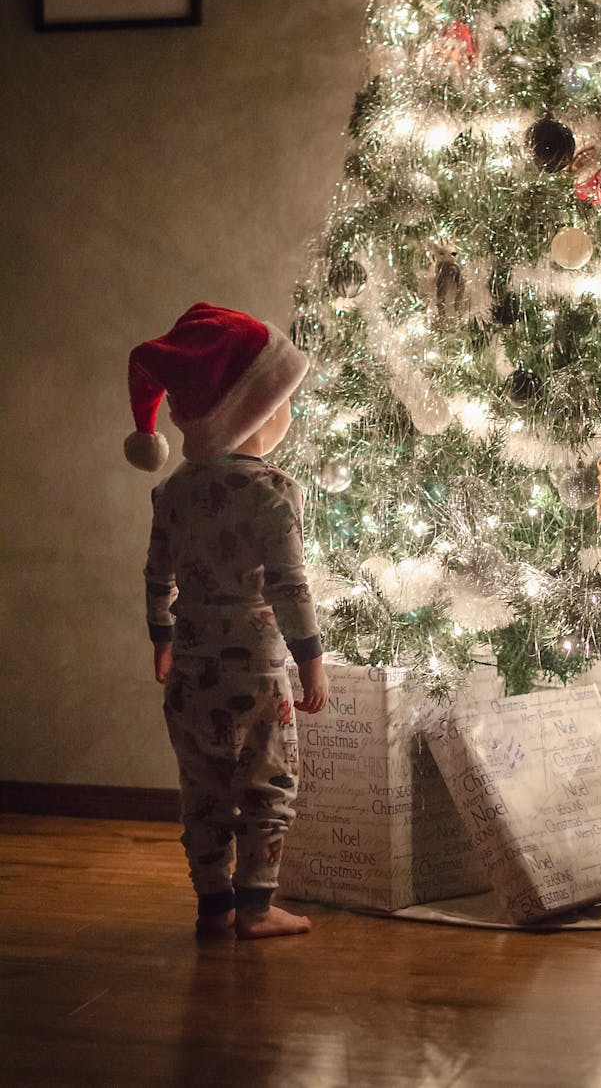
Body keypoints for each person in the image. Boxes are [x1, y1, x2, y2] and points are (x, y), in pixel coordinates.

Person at [124, 301, 328, 939]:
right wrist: (311, 660)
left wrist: (161, 637)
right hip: (259, 674)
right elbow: (290, 585)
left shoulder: (172, 491)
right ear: (253, 418)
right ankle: (257, 910)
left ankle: (212, 905)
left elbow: (158, 575)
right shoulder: (274, 492)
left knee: (202, 787)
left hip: (190, 669)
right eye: (281, 406)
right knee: (268, 785)